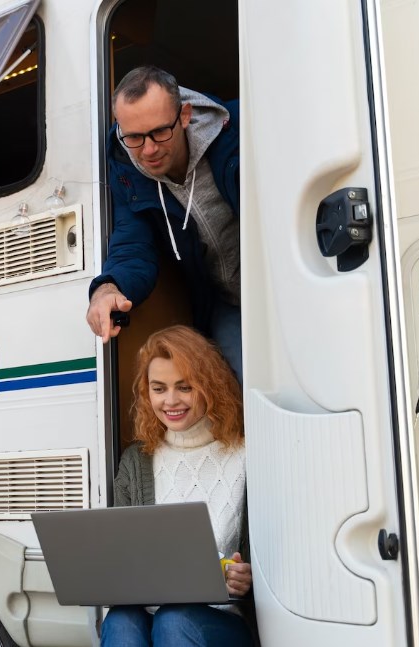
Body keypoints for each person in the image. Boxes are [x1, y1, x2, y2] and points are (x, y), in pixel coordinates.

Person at [86, 66, 242, 380]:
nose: (149, 149)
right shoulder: (127, 172)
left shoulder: (237, 130)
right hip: (225, 302)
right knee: (242, 391)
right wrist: (106, 289)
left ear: (184, 115)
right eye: (134, 137)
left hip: (279, 286)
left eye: (159, 131)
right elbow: (132, 245)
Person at [101, 325, 252, 647]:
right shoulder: (136, 461)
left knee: (174, 618)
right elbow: (122, 554)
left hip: (222, 621)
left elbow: (274, 558)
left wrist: (246, 577)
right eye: (158, 388)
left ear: (210, 386)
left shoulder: (248, 455)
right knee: (121, 619)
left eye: (184, 387)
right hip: (148, 612)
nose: (170, 401)